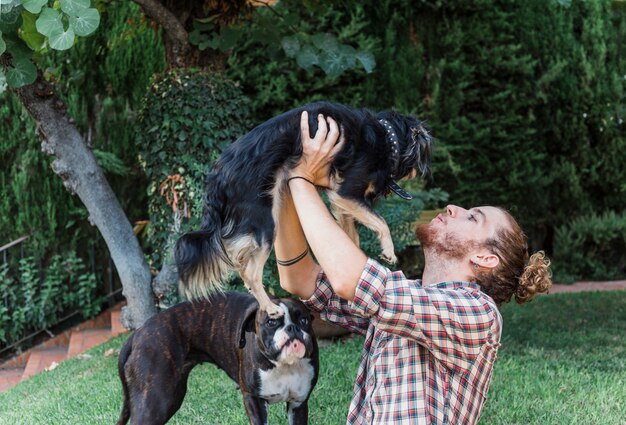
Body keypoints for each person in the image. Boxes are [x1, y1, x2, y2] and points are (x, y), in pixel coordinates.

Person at [275, 111, 552, 424]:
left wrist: (302, 178)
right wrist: (285, 183)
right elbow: (300, 278)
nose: (453, 208)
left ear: (486, 259)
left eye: (472, 217)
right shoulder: (408, 300)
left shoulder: (478, 313)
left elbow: (351, 280)